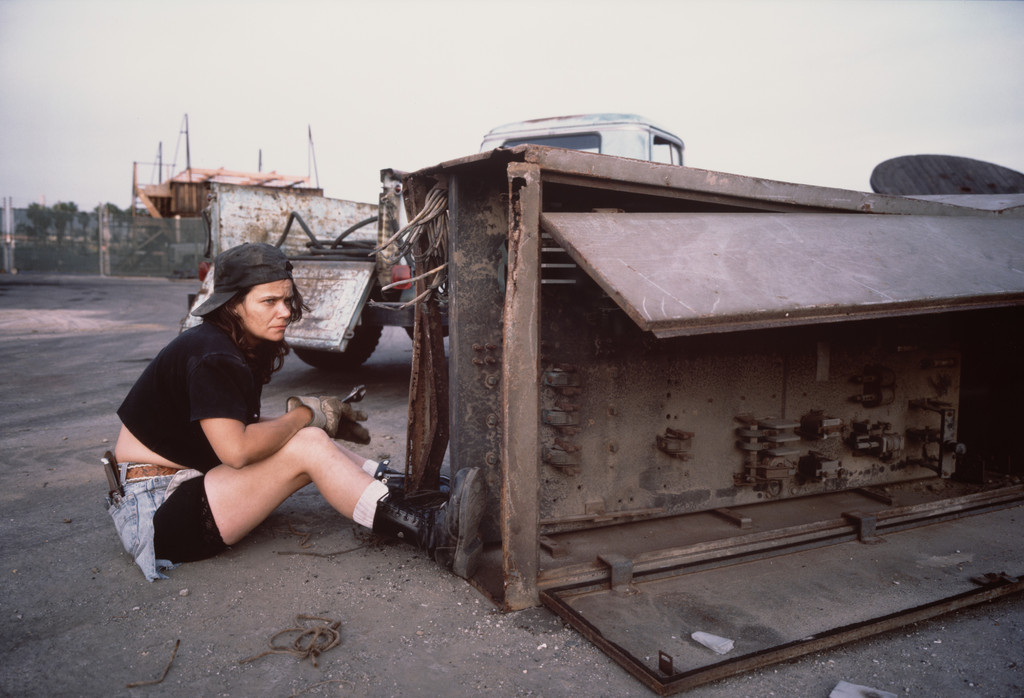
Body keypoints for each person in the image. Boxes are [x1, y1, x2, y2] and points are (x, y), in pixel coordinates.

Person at [105, 242, 484, 582]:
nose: (284, 311)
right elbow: (236, 450)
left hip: (182, 485)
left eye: (287, 300)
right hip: (157, 511)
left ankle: (408, 491)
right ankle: (431, 533)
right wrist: (304, 415)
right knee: (307, 444)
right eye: (269, 302)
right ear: (232, 304)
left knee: (309, 439)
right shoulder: (213, 356)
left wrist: (311, 421)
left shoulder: (223, 343)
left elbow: (232, 430)